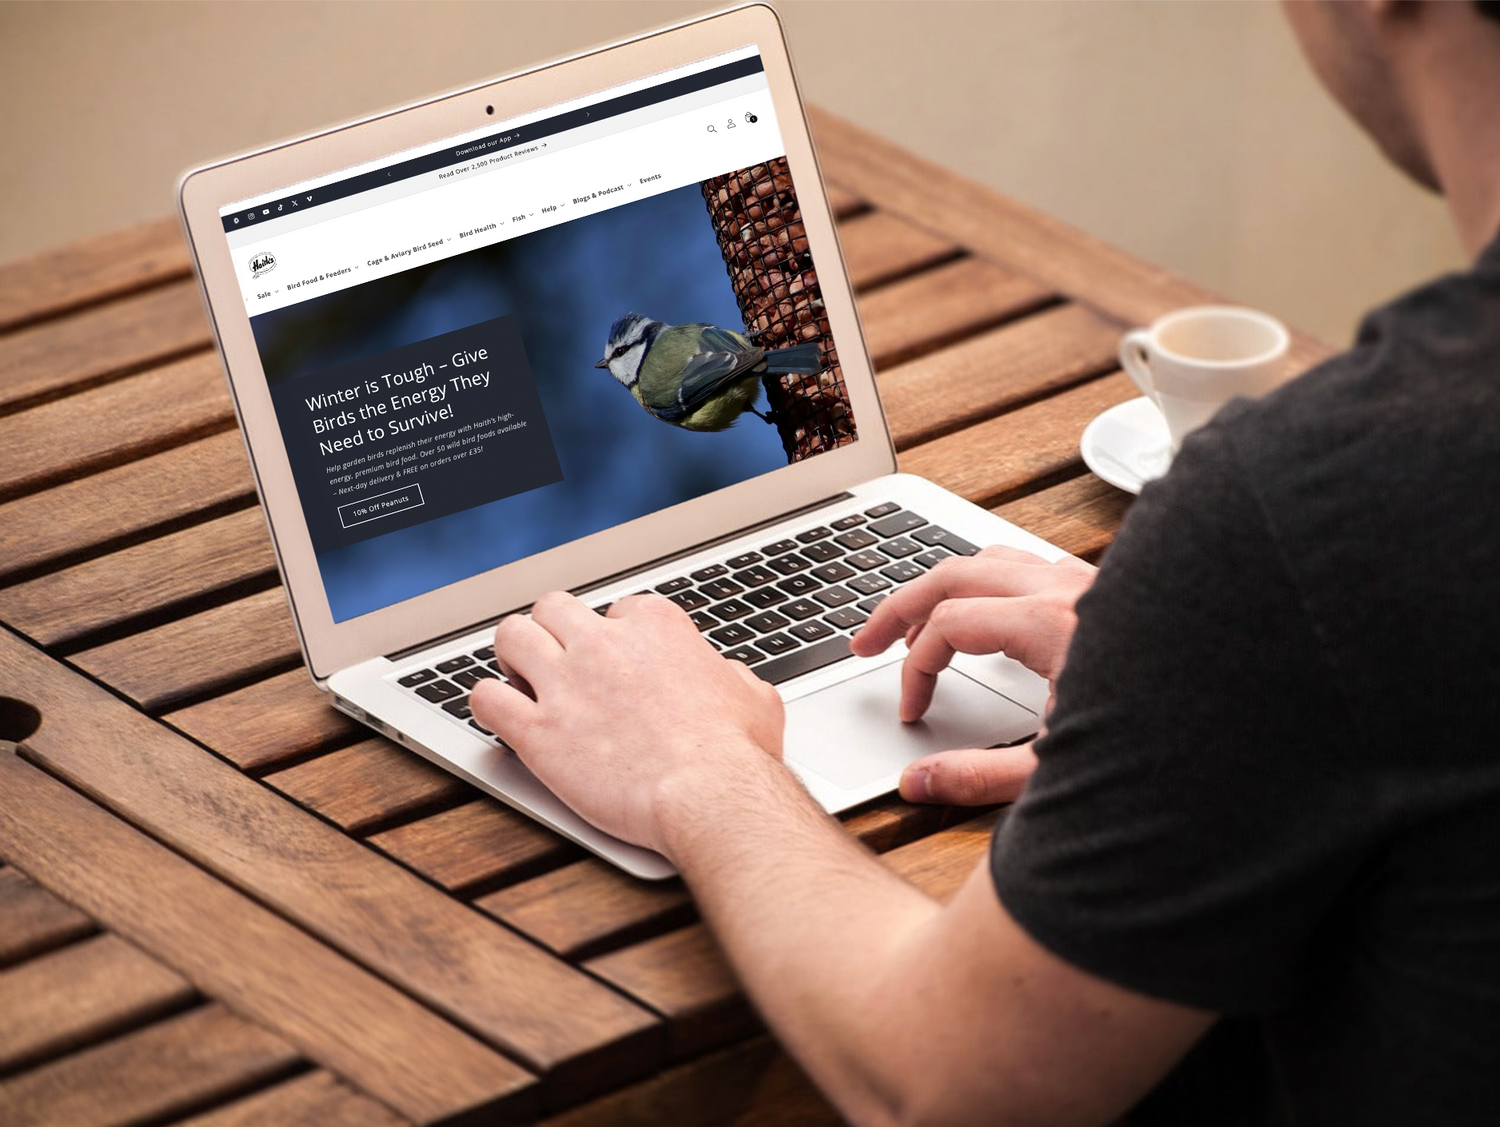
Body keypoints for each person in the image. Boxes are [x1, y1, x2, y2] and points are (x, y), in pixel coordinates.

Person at [472, 1, 1500, 1122]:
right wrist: (1201, 672)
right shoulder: (1355, 538)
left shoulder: (1324, 511)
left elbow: (937, 1085)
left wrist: (696, 771)